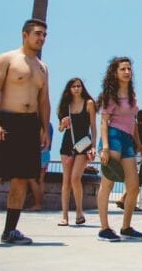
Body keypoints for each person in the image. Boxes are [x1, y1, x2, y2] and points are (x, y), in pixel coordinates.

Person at [0, 18, 50, 245]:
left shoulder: (42, 67)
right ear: (25, 35)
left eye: (44, 35)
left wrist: (44, 129)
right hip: (5, 122)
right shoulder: (7, 59)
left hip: (29, 126)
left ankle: (9, 231)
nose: (41, 38)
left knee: (21, 179)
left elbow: (43, 101)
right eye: (37, 34)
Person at [96, 56, 142, 241]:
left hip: (127, 140)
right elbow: (103, 121)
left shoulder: (132, 95)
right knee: (107, 184)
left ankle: (126, 227)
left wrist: (138, 143)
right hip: (113, 137)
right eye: (123, 69)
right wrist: (105, 147)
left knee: (133, 186)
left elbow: (133, 122)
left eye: (128, 69)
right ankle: (104, 228)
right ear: (115, 73)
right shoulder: (111, 95)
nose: (127, 72)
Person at [56, 77, 97, 226]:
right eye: (73, 86)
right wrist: (62, 124)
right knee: (66, 181)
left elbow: (93, 126)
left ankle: (79, 212)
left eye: (79, 86)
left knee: (75, 178)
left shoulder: (89, 103)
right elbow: (61, 129)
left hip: (83, 145)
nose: (77, 89)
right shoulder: (65, 105)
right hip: (67, 145)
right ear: (69, 89)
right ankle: (65, 215)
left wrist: (93, 146)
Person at [116, 109, 142, 211]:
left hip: (129, 157)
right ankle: (127, 202)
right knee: (136, 183)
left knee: (131, 181)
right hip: (140, 160)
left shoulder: (131, 128)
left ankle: (124, 200)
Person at [26, 121, 53, 212]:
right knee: (41, 180)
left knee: (31, 179)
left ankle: (37, 204)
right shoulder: (49, 125)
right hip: (46, 154)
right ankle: (39, 204)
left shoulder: (40, 124)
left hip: (38, 154)